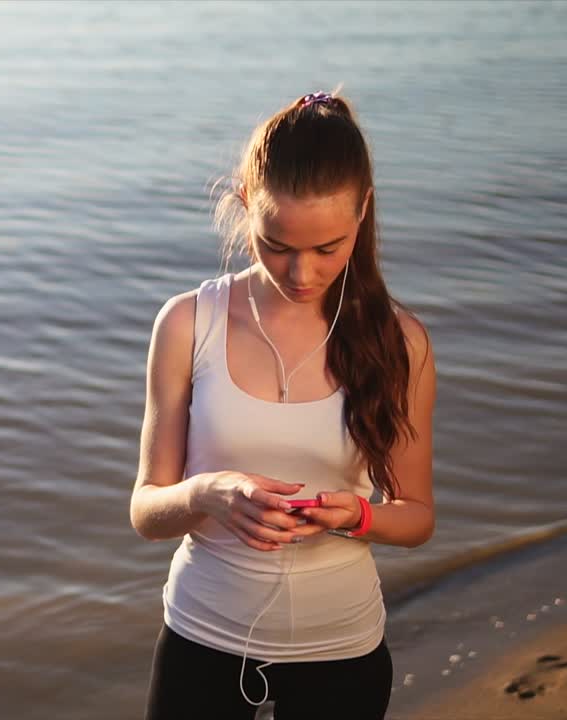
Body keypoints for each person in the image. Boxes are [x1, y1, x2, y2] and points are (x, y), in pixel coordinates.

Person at [130, 91, 436, 720]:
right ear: (246, 207)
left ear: (363, 213)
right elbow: (146, 511)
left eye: (329, 248)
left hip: (342, 647)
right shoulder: (189, 323)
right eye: (276, 245)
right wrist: (205, 493)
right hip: (201, 637)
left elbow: (417, 518)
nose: (301, 273)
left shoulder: (399, 340)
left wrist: (358, 515)